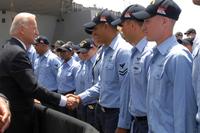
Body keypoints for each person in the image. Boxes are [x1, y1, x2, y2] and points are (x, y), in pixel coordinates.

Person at [0, 12, 72, 133]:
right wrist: (64, 100)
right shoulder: (18, 53)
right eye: (34, 28)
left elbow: (15, 84)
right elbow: (32, 88)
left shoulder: (7, 47)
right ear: (22, 30)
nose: (37, 33)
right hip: (18, 120)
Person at [134, 0, 197, 132]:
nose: (143, 27)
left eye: (147, 21)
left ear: (164, 21)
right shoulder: (156, 56)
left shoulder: (177, 57)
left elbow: (185, 115)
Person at [68, 9, 132, 133]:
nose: (93, 34)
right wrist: (79, 98)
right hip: (101, 112)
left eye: (95, 29)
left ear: (106, 26)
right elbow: (101, 85)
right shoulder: (104, 52)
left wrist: (123, 124)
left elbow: (126, 91)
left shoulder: (123, 51)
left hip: (115, 115)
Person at [111, 4, 156, 133]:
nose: (121, 30)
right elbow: (128, 91)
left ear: (132, 25)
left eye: (122, 25)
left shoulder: (151, 53)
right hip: (136, 123)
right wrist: (123, 123)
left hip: (149, 124)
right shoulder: (134, 52)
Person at [56, 42, 80, 117]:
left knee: (67, 118)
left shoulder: (75, 66)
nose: (61, 53)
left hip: (70, 96)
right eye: (60, 51)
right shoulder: (61, 64)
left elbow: (78, 85)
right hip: (60, 95)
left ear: (71, 53)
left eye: (64, 51)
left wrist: (74, 99)